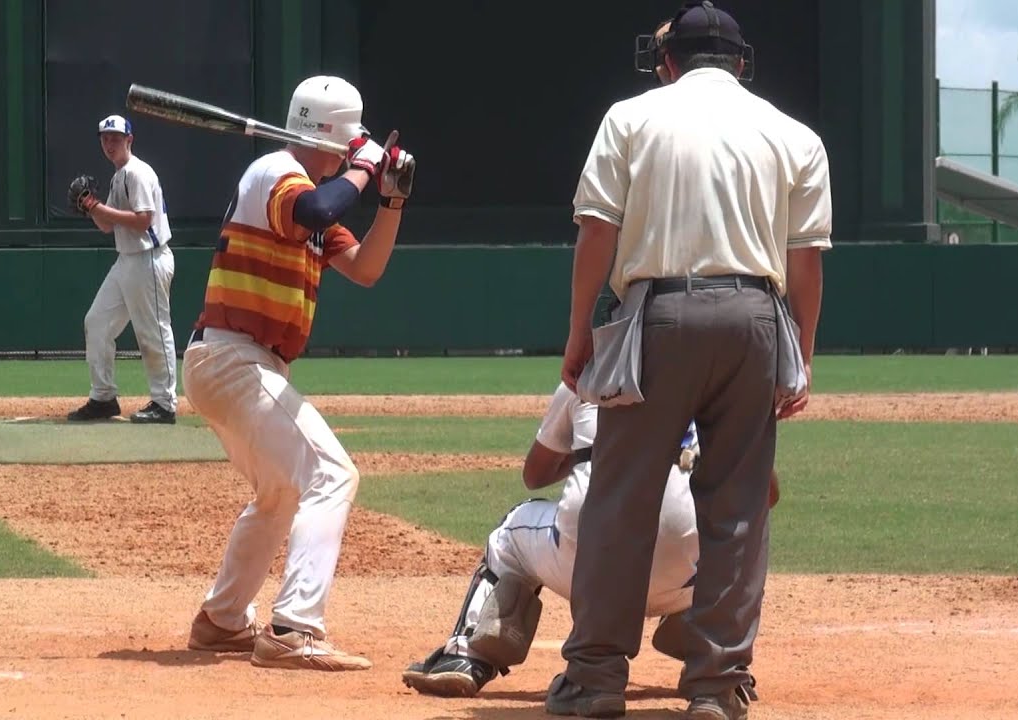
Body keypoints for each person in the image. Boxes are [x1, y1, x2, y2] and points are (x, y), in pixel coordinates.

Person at [548, 1, 831, 718]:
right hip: (755, 319)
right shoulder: (793, 133)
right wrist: (802, 350)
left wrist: (581, 329)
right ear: (740, 62)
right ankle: (715, 686)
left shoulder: (631, 117)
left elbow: (595, 232)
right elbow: (806, 264)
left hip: (657, 314)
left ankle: (595, 681)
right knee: (737, 509)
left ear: (668, 61)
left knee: (621, 501)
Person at [180, 75, 415, 672]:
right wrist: (361, 167)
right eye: (349, 142)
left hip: (238, 361)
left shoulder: (308, 189)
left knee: (282, 491)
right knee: (332, 474)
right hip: (234, 358)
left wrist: (389, 201)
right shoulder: (276, 171)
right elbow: (316, 207)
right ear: (335, 136)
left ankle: (222, 620)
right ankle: (293, 629)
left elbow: (366, 268)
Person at [401, 381, 702, 698]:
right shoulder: (703, 381)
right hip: (681, 580)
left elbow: (535, 476)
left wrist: (591, 454)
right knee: (721, 534)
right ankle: (712, 659)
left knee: (511, 533)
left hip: (590, 571)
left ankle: (467, 657)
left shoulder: (588, 375)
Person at [66, 114, 179, 425]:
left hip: (149, 258)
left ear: (130, 140)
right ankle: (103, 397)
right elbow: (106, 225)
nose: (109, 143)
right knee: (97, 322)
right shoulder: (119, 176)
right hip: (127, 260)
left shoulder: (137, 172)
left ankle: (164, 403)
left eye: (116, 138)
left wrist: (98, 207)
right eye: (105, 138)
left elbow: (144, 219)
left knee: (152, 331)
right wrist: (90, 206)